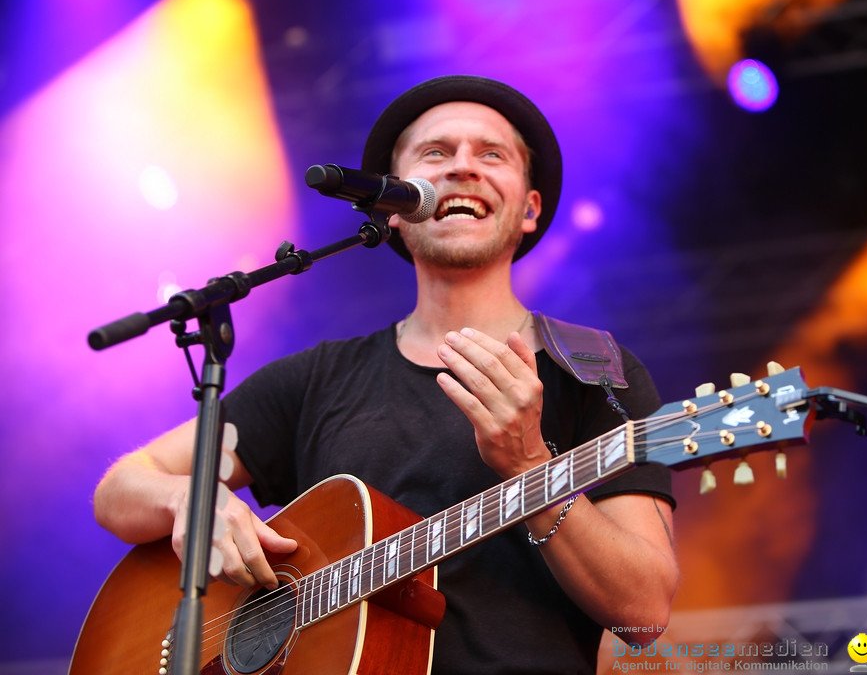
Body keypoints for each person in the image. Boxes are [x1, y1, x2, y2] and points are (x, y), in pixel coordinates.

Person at [93, 75, 680, 674]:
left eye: (491, 154)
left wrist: (531, 467)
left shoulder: (594, 372)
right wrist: (192, 502)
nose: (462, 168)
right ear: (393, 207)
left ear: (530, 209)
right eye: (435, 153)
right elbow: (120, 490)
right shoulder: (315, 380)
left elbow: (644, 611)